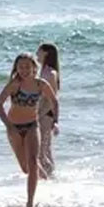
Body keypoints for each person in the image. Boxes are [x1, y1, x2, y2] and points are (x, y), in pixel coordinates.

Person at [0, 52, 59, 207]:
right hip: (14, 127)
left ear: (34, 68)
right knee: (26, 168)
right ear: (16, 68)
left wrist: (55, 120)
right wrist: (9, 126)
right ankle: (42, 175)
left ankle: (30, 204)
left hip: (32, 126)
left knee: (31, 162)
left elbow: (54, 101)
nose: (24, 70)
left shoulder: (41, 84)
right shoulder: (14, 84)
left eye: (27, 67)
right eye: (20, 67)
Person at [35, 42, 61, 179]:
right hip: (42, 113)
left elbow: (50, 98)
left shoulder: (50, 73)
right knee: (44, 149)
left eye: (38, 51)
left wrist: (54, 120)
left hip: (45, 114)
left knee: (42, 150)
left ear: (45, 53)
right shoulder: (43, 71)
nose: (36, 54)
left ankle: (48, 178)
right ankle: (50, 177)